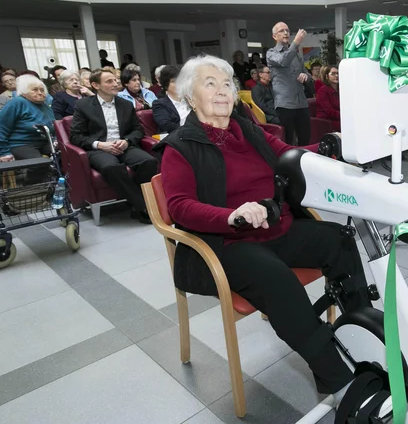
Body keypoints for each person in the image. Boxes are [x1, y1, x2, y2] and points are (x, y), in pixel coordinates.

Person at [152, 54, 371, 406]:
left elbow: (290, 155)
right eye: (210, 84)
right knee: (277, 279)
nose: (222, 91)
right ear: (190, 96)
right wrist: (230, 215)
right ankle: (339, 378)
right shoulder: (180, 147)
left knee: (338, 240)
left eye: (227, 83)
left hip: (277, 228)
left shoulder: (248, 129)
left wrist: (334, 149)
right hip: (227, 243)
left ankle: (361, 333)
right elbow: (179, 206)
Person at [70, 68, 159, 224]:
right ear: (95, 85)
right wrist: (100, 144)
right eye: (109, 81)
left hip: (123, 145)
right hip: (99, 148)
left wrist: (127, 141)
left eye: (115, 80)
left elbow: (137, 130)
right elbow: (76, 136)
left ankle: (137, 204)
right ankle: (143, 206)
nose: (115, 83)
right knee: (111, 167)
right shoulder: (83, 105)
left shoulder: (125, 104)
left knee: (149, 161)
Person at [267, 22, 312, 145]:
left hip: (301, 102)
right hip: (285, 104)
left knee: (305, 138)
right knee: (288, 140)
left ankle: (304, 163)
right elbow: (283, 61)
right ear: (274, 36)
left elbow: (308, 74)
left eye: (287, 30)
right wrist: (296, 42)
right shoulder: (271, 53)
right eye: (282, 31)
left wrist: (305, 77)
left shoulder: (296, 54)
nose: (286, 33)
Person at [0, 75, 54, 161]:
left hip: (45, 142)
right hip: (20, 144)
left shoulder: (45, 105)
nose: (40, 92)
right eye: (35, 90)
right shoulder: (17, 103)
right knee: (39, 163)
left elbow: (53, 126)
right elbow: (1, 127)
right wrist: (4, 152)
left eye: (42, 90)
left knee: (66, 154)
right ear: (24, 92)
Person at [152, 66, 189, 133]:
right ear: (166, 85)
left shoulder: (190, 100)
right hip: (175, 136)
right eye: (173, 81)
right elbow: (166, 125)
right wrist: (189, 129)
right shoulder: (159, 104)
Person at [315, 65, 340, 131]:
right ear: (326, 76)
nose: (337, 76)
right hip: (326, 122)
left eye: (337, 73)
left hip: (338, 118)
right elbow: (329, 112)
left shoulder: (340, 89)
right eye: (333, 74)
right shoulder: (322, 91)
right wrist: (345, 116)